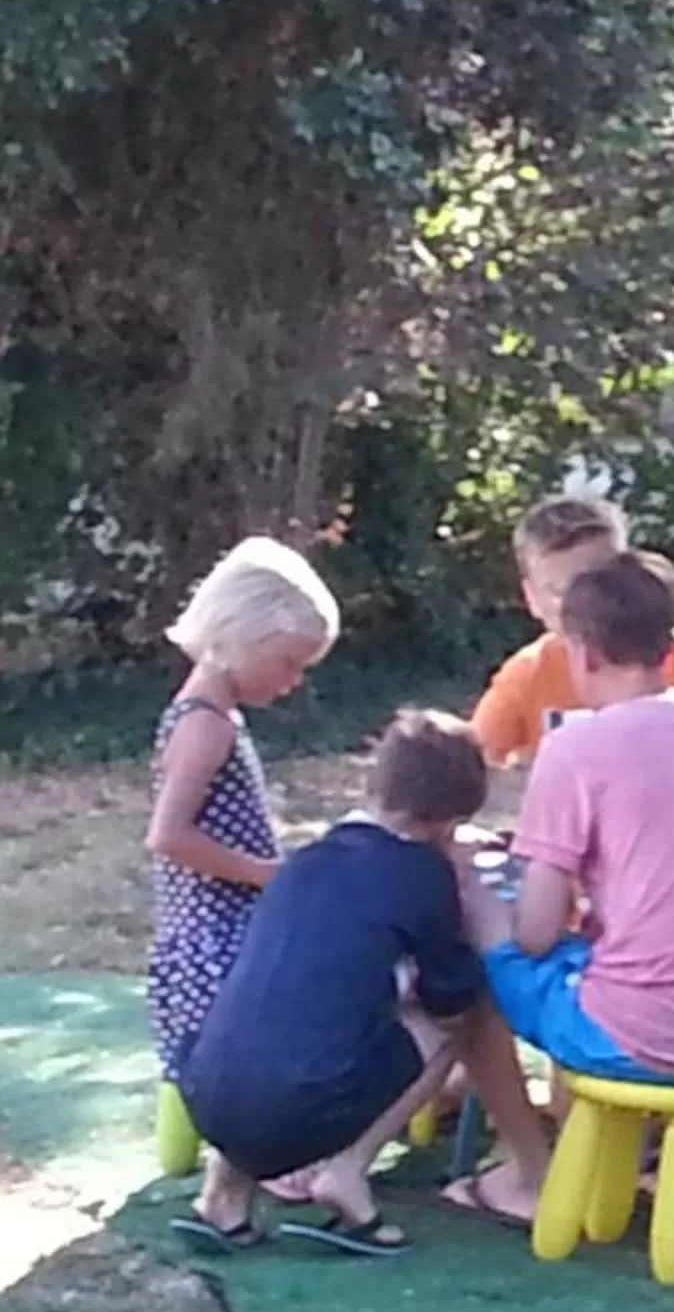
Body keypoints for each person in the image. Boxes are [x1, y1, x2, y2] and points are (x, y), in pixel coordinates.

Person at [173, 711, 558, 1254]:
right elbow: (448, 994)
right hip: (301, 1107)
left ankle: (222, 1197)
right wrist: (468, 897)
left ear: (376, 784)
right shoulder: (422, 876)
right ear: (453, 817)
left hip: (207, 1093)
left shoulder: (305, 861)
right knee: (457, 1022)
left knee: (273, 1025)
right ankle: (348, 1172)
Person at [469, 559, 674, 1167]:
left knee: (493, 939)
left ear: (582, 653)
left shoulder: (575, 748)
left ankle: (522, 1166)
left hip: (642, 1038)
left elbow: (538, 935)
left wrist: (485, 885)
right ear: (672, 646)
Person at [147, 537, 341, 1083]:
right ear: (242, 636)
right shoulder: (205, 724)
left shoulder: (215, 716)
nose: (293, 681)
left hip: (227, 927)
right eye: (288, 663)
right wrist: (264, 875)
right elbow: (167, 835)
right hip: (216, 936)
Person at [469, 498, 674, 766]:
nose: (583, 604)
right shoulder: (529, 673)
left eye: (601, 584)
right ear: (532, 598)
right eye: (561, 592)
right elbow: (468, 764)